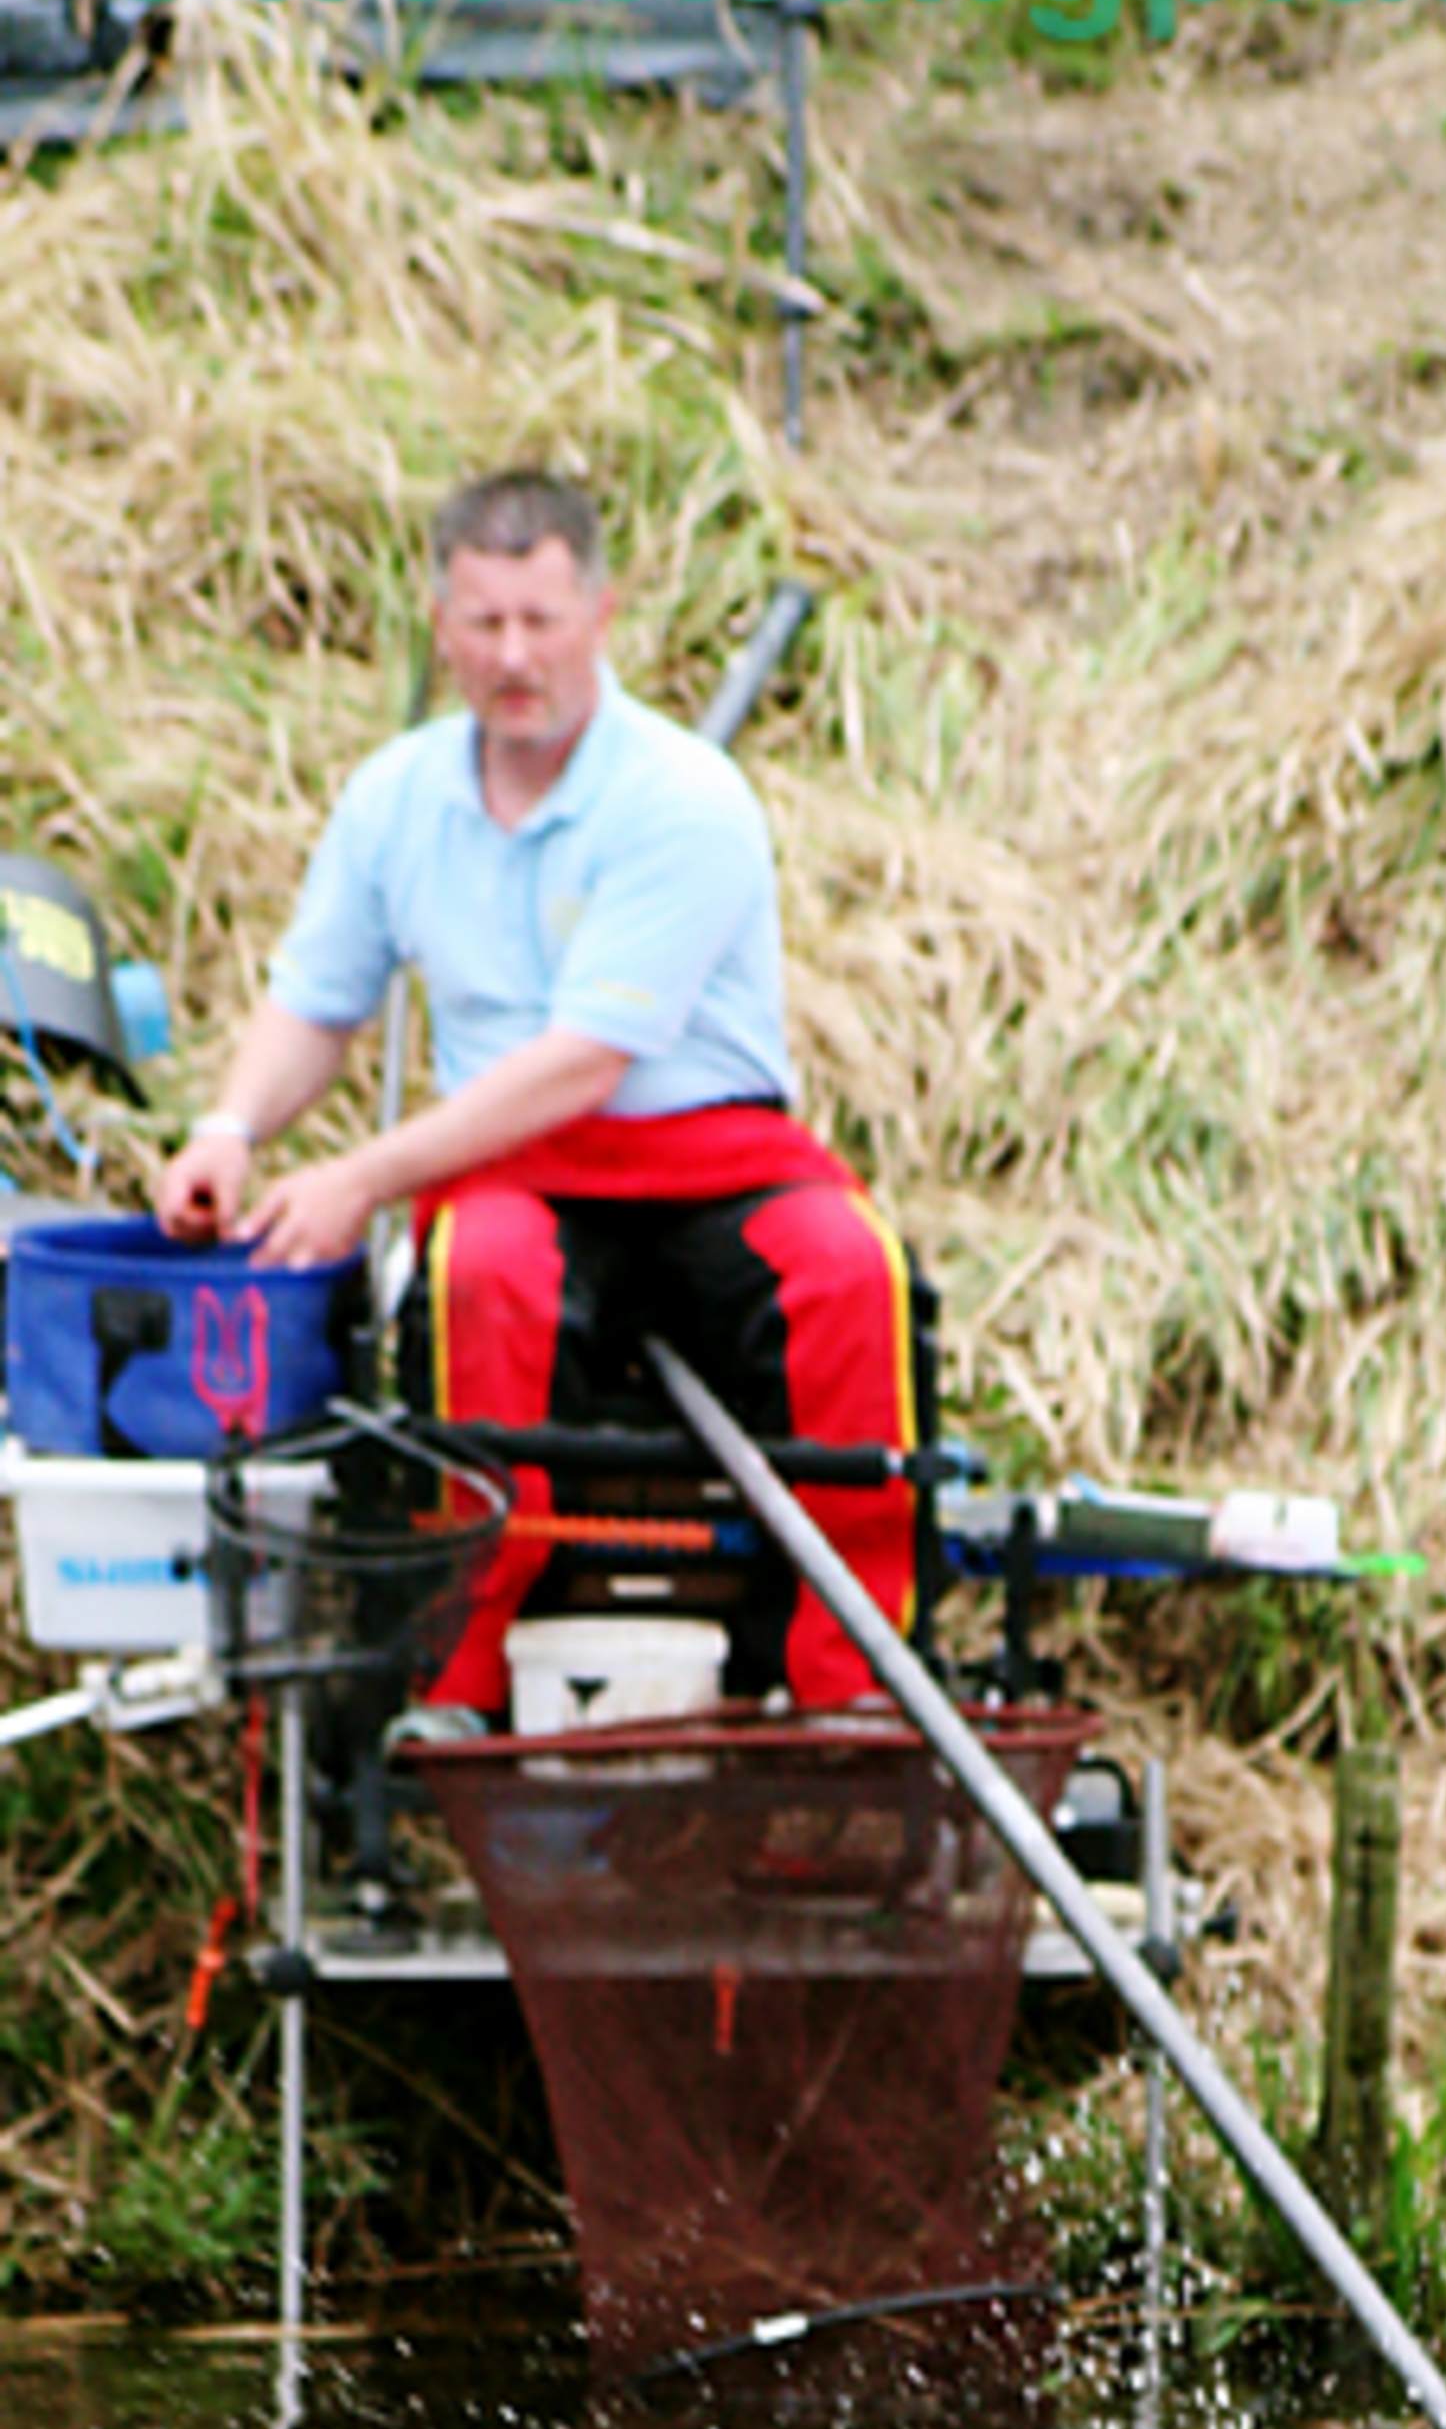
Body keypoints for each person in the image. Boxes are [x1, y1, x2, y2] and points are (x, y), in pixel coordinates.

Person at [156, 467, 920, 1721]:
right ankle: (458, 1683)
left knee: (847, 1272)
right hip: (518, 1176)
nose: (514, 655)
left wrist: (359, 1176)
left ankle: (852, 1693)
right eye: (485, 623)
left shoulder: (685, 799)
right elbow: (316, 1000)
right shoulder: (393, 801)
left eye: (541, 622)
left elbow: (585, 1062)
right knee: (478, 1277)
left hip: (713, 1159)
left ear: (601, 614)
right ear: (441, 627)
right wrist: (229, 1127)